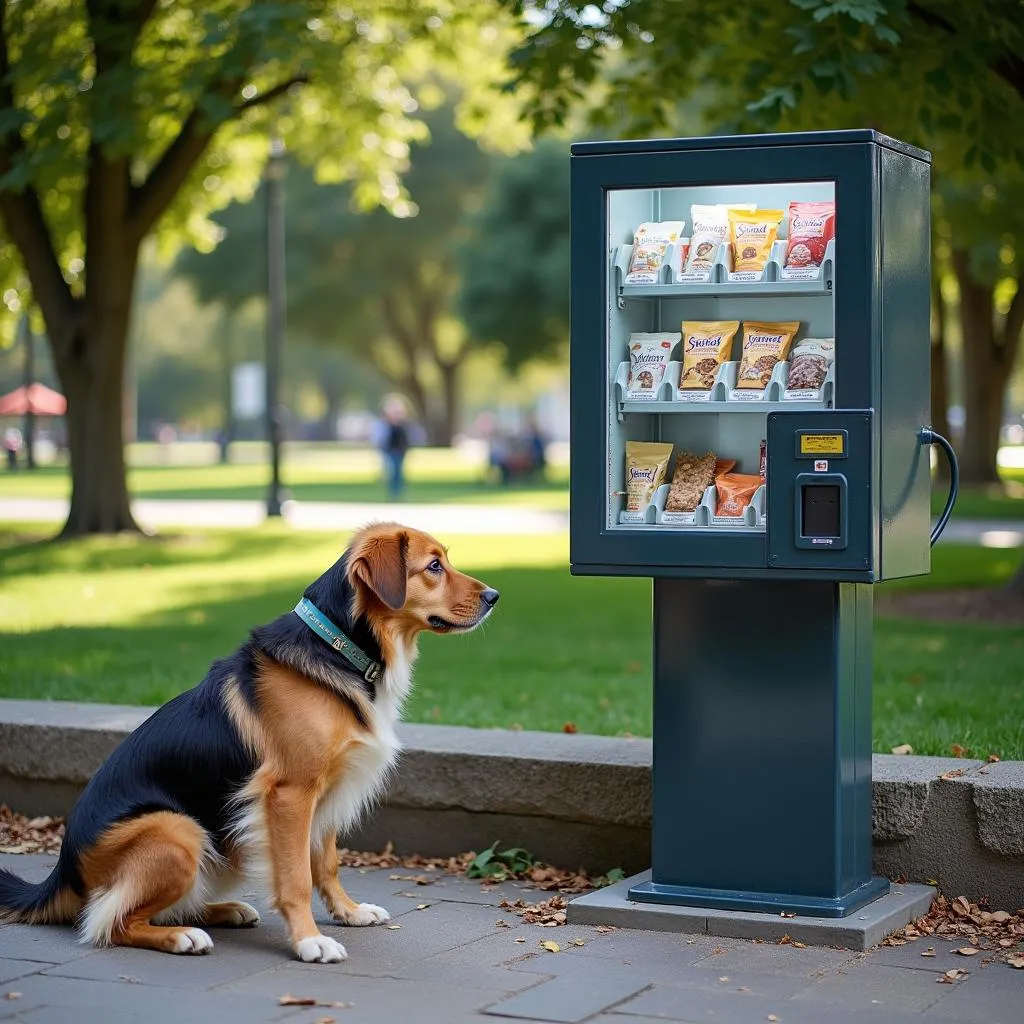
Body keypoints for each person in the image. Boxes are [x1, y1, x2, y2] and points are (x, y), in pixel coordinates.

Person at [374, 396, 410, 501]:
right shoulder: (385, 425)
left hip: (400, 451)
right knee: (391, 471)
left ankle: (398, 492)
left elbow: (405, 439)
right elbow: (382, 438)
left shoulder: (402, 425)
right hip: (389, 451)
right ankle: (393, 493)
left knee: (398, 472)